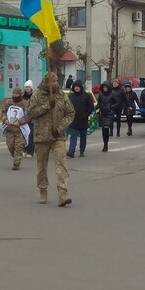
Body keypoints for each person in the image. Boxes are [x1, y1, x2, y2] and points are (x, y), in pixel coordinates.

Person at [27, 72, 75, 206]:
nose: (55, 84)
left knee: (61, 164)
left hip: (57, 136)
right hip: (41, 137)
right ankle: (43, 189)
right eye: (52, 82)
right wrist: (47, 105)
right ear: (46, 83)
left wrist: (59, 128)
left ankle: (62, 193)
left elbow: (70, 113)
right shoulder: (37, 95)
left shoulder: (61, 96)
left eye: (56, 81)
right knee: (42, 166)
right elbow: (31, 113)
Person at [2, 87, 29, 170]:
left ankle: (16, 162)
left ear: (20, 94)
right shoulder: (8, 102)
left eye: (17, 94)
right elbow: (3, 112)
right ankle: (16, 156)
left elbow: (28, 115)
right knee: (10, 146)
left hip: (20, 130)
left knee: (19, 146)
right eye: (14, 94)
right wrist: (4, 119)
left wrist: (20, 122)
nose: (15, 95)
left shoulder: (25, 103)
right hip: (10, 129)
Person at [67, 80, 94, 158]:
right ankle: (71, 151)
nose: (76, 88)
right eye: (75, 87)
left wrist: (86, 114)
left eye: (78, 87)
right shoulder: (70, 96)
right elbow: (67, 107)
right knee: (73, 135)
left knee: (83, 136)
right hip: (73, 120)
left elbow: (91, 107)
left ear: (80, 87)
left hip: (83, 120)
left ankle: (82, 150)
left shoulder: (86, 96)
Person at [97, 81, 117, 152]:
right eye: (104, 87)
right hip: (103, 113)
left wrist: (111, 107)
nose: (105, 89)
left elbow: (118, 102)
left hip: (109, 113)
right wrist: (94, 109)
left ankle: (106, 145)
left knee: (106, 127)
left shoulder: (112, 94)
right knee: (103, 130)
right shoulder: (100, 94)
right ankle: (105, 143)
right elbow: (98, 103)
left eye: (106, 87)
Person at [22, 80, 35, 158]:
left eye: (28, 87)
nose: (27, 88)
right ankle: (24, 149)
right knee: (24, 134)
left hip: (31, 119)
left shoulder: (34, 96)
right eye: (26, 87)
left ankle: (30, 151)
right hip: (23, 118)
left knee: (30, 135)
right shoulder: (23, 96)